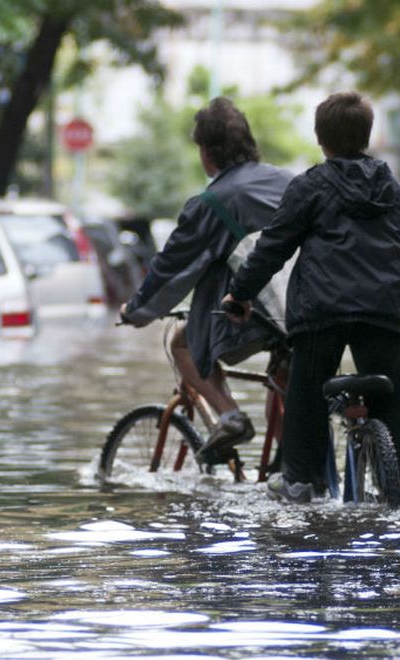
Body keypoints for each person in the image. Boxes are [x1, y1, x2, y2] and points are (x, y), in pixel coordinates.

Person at [221, 91, 400, 505]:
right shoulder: (394, 189)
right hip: (385, 310)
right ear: (367, 135)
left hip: (322, 311)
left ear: (320, 138)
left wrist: (239, 294)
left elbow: (273, 248)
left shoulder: (310, 186)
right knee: (391, 402)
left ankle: (300, 481)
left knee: (307, 396)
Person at [120, 97, 292, 465]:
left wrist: (136, 311)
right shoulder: (289, 182)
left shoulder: (212, 202)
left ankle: (230, 417)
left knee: (183, 341)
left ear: (207, 151)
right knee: (283, 411)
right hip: (307, 307)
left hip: (252, 312)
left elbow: (171, 267)